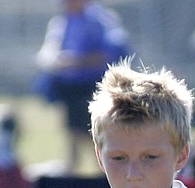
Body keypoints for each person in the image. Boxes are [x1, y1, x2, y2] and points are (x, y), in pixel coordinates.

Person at [35, 0, 131, 173]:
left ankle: (106, 171)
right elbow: (49, 52)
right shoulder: (62, 22)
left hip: (94, 86)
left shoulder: (100, 20)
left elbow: (111, 53)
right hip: (70, 86)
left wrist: (76, 62)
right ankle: (73, 170)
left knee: (95, 132)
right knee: (73, 131)